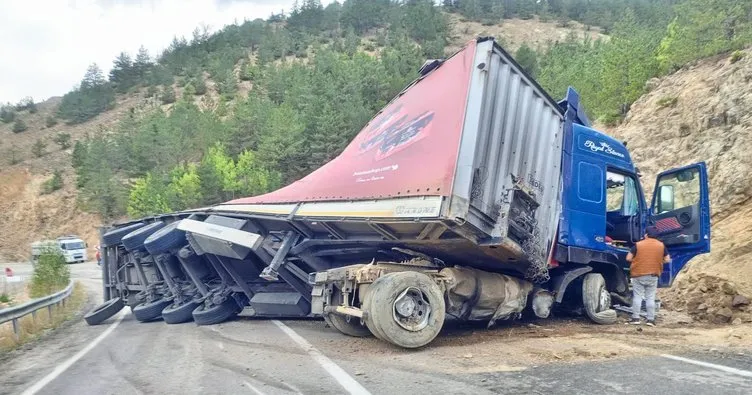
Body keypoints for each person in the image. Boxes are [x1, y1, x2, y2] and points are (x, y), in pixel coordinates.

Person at [625, 226, 671, 326]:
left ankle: (635, 318)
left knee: (637, 297)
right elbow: (667, 260)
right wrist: (658, 261)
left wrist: (638, 261)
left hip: (638, 274)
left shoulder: (638, 245)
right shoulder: (661, 245)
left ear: (646, 234)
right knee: (650, 298)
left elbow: (628, 258)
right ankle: (650, 320)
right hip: (653, 275)